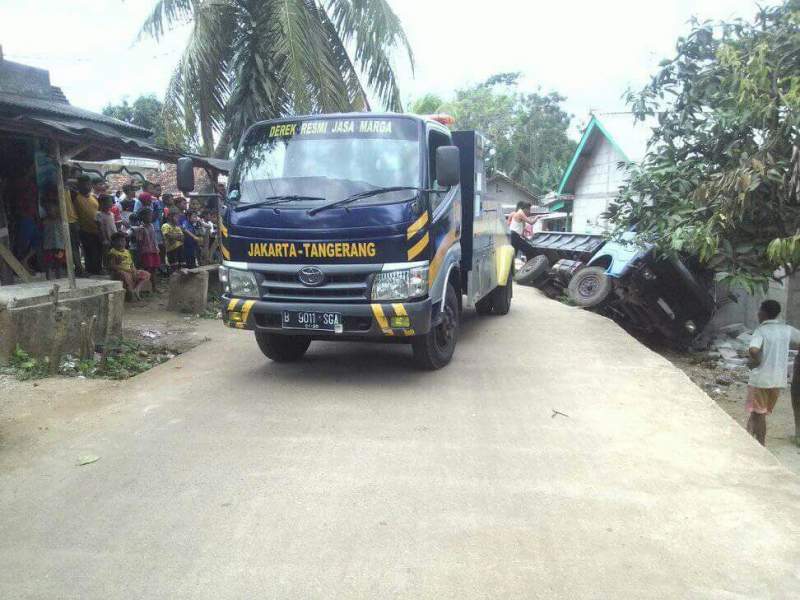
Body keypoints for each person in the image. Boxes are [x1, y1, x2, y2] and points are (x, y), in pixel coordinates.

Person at [747, 300, 800, 446]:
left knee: (759, 414)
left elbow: (753, 350)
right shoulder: (786, 330)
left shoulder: (761, 330)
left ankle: (761, 444)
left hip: (761, 380)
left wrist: (755, 361)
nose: (757, 313)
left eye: (759, 310)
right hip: (778, 381)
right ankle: (746, 440)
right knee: (756, 412)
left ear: (763, 313)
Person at [108, 232, 150, 301]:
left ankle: (137, 290)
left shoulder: (127, 251)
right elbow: (112, 266)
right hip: (119, 272)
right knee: (124, 275)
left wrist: (134, 270)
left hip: (130, 271)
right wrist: (127, 271)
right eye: (118, 241)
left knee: (146, 274)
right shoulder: (113, 252)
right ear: (113, 242)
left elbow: (131, 263)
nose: (121, 243)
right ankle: (130, 294)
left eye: (123, 241)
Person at [74, 174, 102, 274]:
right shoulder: (76, 198)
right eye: (84, 184)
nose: (87, 187)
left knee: (98, 251)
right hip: (84, 229)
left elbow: (98, 213)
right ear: (79, 185)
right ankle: (90, 269)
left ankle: (97, 269)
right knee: (89, 251)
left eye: (88, 184)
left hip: (96, 229)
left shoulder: (93, 198)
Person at [134, 208, 161, 284]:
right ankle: (145, 286)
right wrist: (139, 254)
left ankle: (154, 286)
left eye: (151, 215)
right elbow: (139, 242)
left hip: (154, 250)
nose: (150, 217)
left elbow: (154, 238)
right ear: (143, 217)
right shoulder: (141, 228)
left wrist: (157, 248)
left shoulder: (152, 225)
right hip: (146, 252)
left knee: (154, 269)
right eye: (149, 215)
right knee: (147, 269)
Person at [41, 201, 66, 280]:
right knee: (48, 261)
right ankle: (48, 277)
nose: (51, 212)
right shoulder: (45, 221)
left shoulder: (60, 221)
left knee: (58, 261)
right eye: (49, 210)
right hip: (48, 245)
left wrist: (64, 245)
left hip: (59, 244)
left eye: (53, 210)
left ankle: (58, 276)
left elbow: (63, 233)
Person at [96, 194, 117, 271]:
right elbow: (100, 228)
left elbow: (113, 226)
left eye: (111, 202)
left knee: (113, 253)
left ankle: (113, 267)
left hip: (113, 237)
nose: (110, 204)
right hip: (106, 238)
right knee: (106, 253)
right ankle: (105, 267)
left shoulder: (111, 214)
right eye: (108, 202)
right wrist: (104, 239)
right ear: (102, 204)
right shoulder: (99, 214)